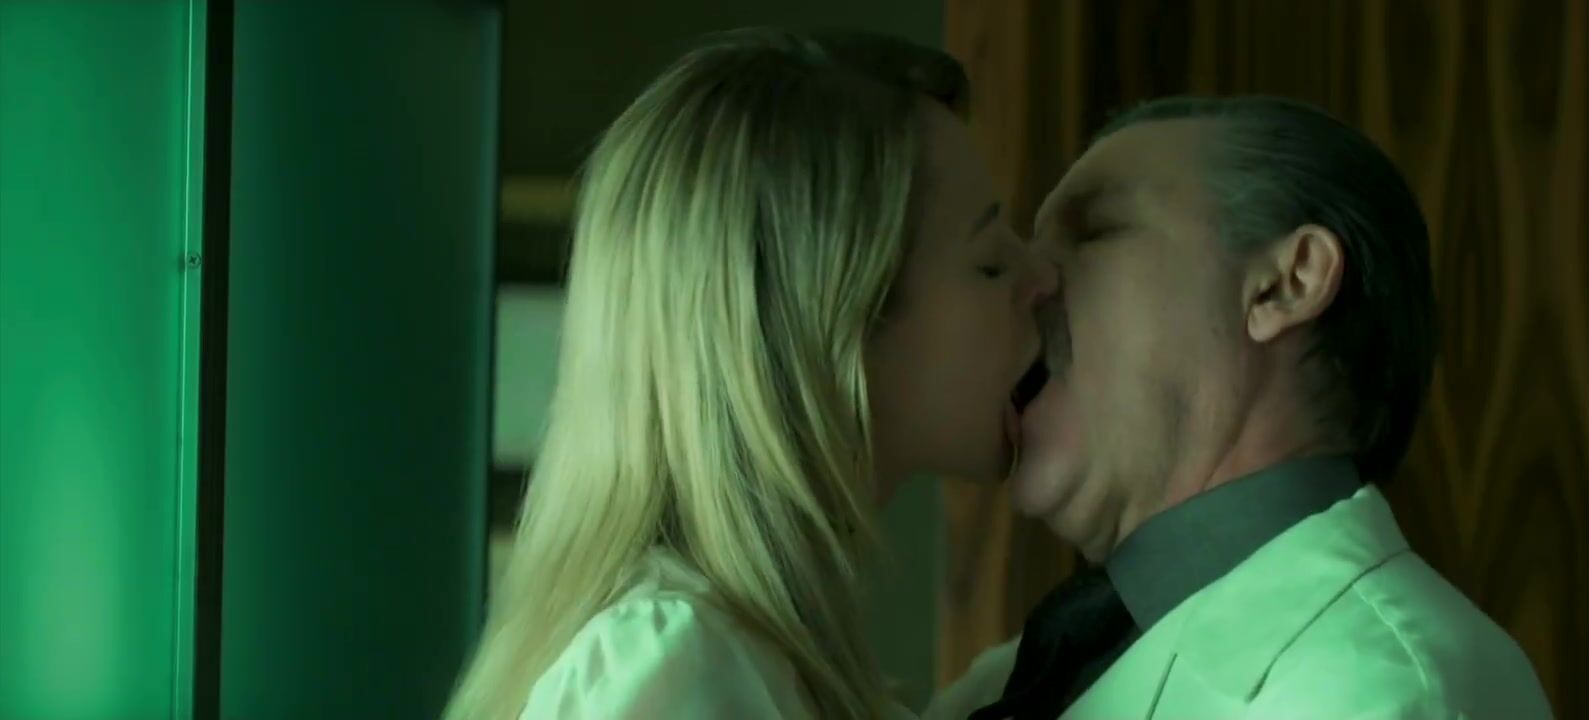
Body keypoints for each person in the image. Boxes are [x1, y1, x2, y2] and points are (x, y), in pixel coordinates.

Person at [443, 29, 1056, 720]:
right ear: (832, 326)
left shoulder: (756, 664)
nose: (1041, 278)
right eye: (989, 263)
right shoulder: (678, 670)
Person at [927, 96, 1553, 720]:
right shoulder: (1007, 685)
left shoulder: (1382, 692)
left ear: (1284, 285)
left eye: (1094, 229)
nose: (1028, 280)